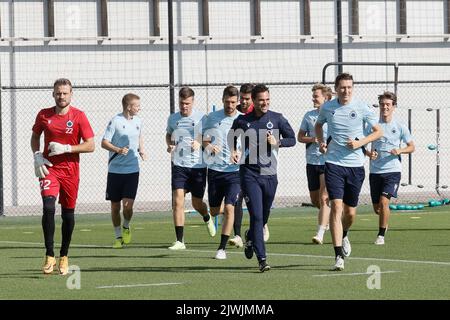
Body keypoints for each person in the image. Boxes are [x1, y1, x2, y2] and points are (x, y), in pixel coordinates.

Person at [315, 73, 382, 271]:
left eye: (349, 87)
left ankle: (345, 234)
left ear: (353, 89)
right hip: (333, 163)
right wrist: (321, 142)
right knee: (336, 206)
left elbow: (378, 131)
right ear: (336, 89)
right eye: (342, 87)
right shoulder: (328, 108)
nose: (346, 91)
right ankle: (338, 256)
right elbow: (319, 125)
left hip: (355, 166)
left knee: (350, 213)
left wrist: (359, 143)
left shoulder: (361, 107)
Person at [31, 78, 95, 275]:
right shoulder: (44, 115)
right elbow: (35, 137)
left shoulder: (79, 116)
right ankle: (49, 254)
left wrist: (67, 148)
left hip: (71, 172)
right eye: (58, 93)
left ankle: (64, 255)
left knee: (68, 215)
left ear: (71, 94)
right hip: (49, 168)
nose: (61, 96)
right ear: (53, 94)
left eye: (65, 93)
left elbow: (90, 145)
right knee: (48, 206)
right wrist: (37, 156)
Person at [229, 84, 296, 272]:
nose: (264, 103)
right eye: (261, 100)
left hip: (270, 175)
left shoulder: (277, 119)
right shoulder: (243, 121)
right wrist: (234, 150)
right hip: (249, 174)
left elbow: (292, 139)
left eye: (267, 100)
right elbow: (231, 135)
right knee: (257, 216)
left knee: (263, 218)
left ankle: (250, 236)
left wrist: (279, 142)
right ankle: (262, 259)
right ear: (253, 100)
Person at [165, 87, 216, 250]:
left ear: (193, 101)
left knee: (196, 203)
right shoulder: (173, 119)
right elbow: (169, 134)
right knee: (178, 201)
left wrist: (199, 142)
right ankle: (180, 241)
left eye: (187, 103)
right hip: (179, 165)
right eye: (181, 103)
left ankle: (206, 216)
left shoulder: (203, 118)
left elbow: (210, 137)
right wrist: (170, 144)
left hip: (198, 166)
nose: (184, 106)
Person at [366, 91, 414, 245]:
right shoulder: (373, 125)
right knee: (377, 208)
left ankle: (380, 235)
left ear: (394, 106)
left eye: (388, 104)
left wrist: (399, 150)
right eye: (382, 104)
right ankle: (385, 223)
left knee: (384, 202)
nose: (385, 107)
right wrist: (368, 153)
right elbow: (360, 142)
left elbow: (411, 147)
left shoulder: (400, 126)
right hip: (375, 171)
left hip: (392, 170)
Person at [101, 93, 147, 249]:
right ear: (129, 107)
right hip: (115, 171)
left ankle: (126, 225)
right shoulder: (115, 121)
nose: (139, 108)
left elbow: (139, 136)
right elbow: (104, 142)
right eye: (137, 105)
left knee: (127, 206)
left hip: (132, 170)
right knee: (115, 207)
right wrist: (118, 150)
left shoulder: (139, 121)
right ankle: (118, 236)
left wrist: (142, 149)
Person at [203, 85, 241, 259]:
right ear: (223, 100)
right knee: (214, 210)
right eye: (227, 101)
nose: (230, 105)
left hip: (235, 171)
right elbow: (203, 138)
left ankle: (222, 248)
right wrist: (209, 146)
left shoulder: (243, 119)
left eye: (233, 102)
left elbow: (251, 144)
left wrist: (241, 153)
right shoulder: (211, 118)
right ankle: (221, 218)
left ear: (238, 102)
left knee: (229, 207)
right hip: (215, 171)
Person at [298, 83, 333, 245]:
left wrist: (328, 146)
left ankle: (320, 232)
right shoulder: (309, 116)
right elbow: (300, 137)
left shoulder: (333, 115)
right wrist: (313, 139)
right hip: (311, 161)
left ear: (326, 97)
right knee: (315, 199)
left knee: (324, 196)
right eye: (313, 96)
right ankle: (329, 216)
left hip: (327, 161)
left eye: (316, 96)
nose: (313, 98)